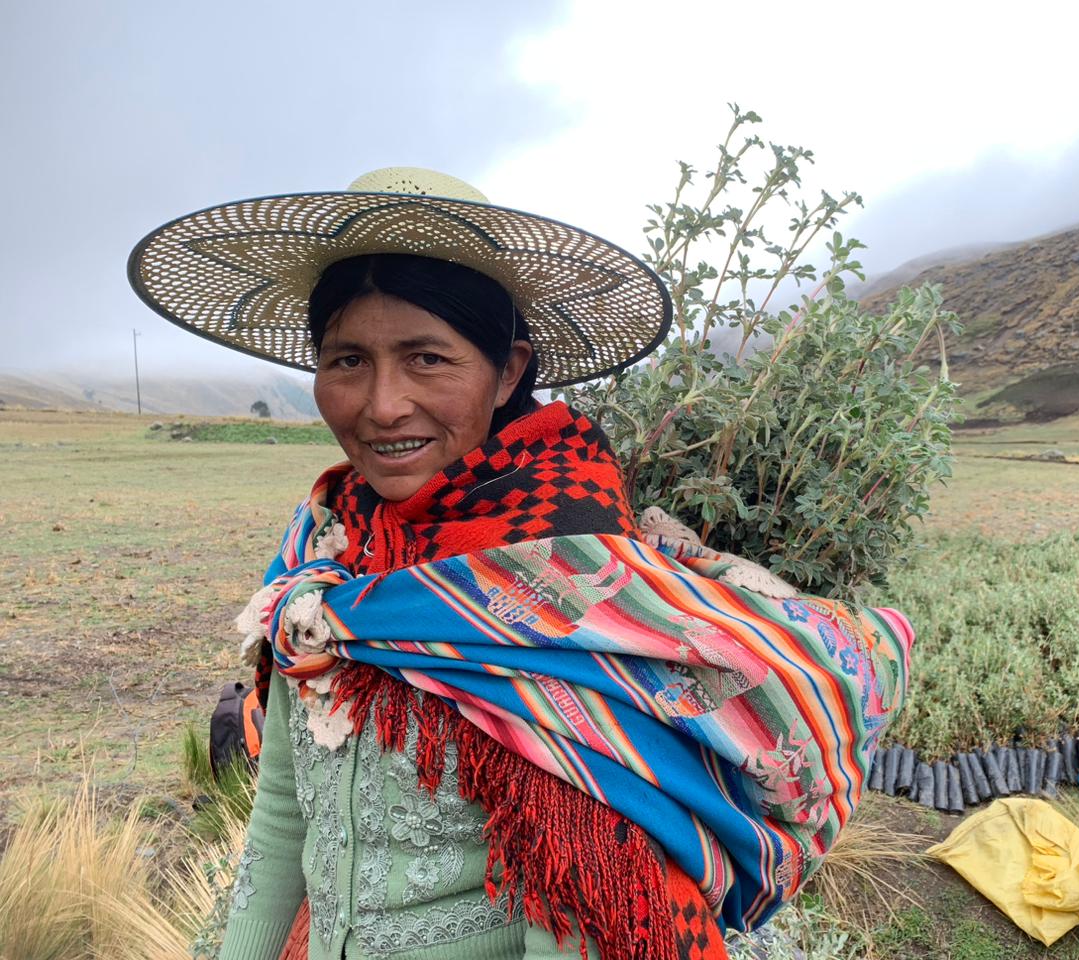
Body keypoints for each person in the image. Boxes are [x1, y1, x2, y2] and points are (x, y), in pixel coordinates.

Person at [129, 168, 913, 960]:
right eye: (347, 361)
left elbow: (583, 905)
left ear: (507, 372)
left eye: (427, 358)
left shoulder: (559, 595)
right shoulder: (326, 548)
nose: (383, 404)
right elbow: (282, 820)